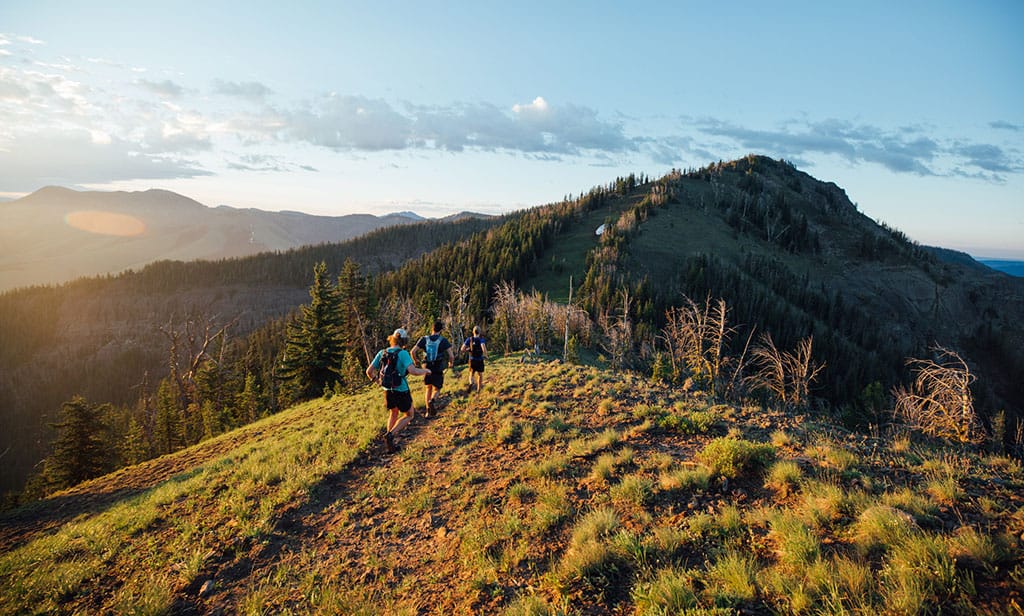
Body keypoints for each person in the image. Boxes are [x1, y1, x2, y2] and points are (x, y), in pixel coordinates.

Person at [365, 328, 431, 453]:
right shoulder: (403, 353)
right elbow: (413, 371)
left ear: (392, 339)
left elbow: (369, 371)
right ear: (404, 341)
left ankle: (390, 443)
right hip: (401, 389)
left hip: (387, 389)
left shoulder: (382, 352)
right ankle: (391, 435)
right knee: (409, 415)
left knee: (393, 413)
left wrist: (377, 381)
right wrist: (426, 371)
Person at [412, 319, 454, 417]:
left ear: (432, 328)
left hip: (426, 366)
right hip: (438, 366)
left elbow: (413, 351)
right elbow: (451, 355)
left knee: (428, 388)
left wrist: (416, 361)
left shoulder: (424, 339)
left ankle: (428, 412)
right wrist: (450, 363)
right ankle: (433, 400)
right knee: (437, 388)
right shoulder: (443, 340)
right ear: (441, 330)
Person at [461, 325, 487, 393]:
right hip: (480, 359)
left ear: (473, 332)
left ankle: (471, 382)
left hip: (472, 360)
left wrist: (468, 349)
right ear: (479, 332)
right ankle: (478, 389)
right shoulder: (481, 339)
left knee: (471, 374)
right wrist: (486, 355)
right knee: (480, 375)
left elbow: (462, 349)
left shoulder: (469, 339)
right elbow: (483, 348)